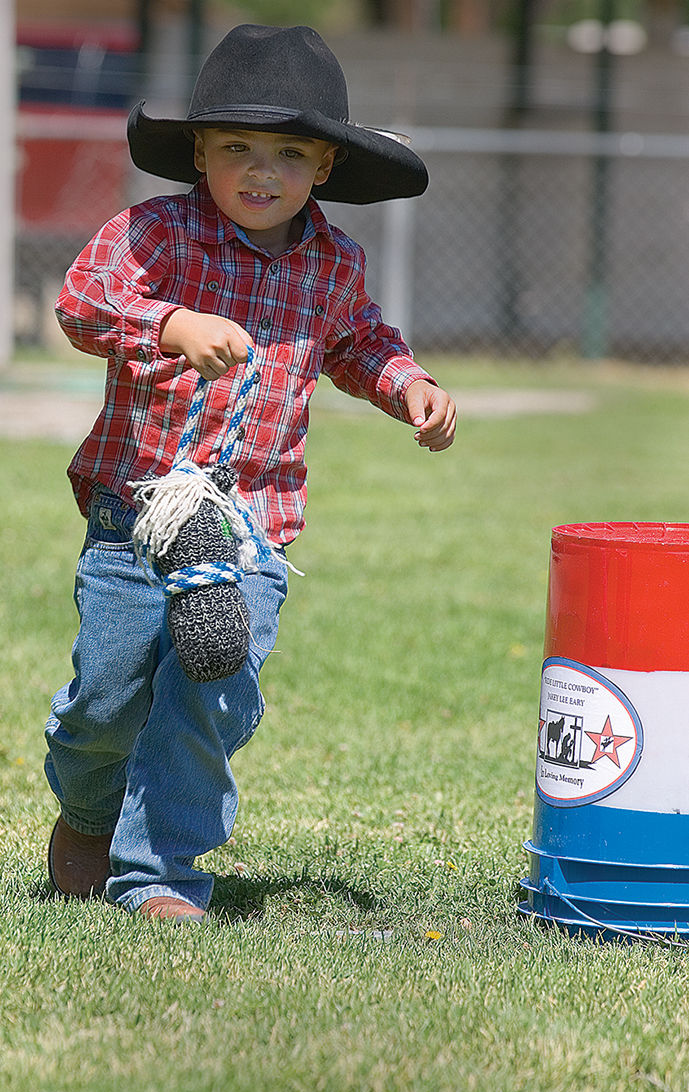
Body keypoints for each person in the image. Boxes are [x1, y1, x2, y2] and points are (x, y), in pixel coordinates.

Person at [45, 23, 456, 924]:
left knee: (209, 691)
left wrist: (409, 384)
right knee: (108, 704)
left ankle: (157, 874)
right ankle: (86, 807)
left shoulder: (332, 263)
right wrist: (168, 325)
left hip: (250, 522)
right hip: (136, 515)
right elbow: (81, 304)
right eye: (235, 147)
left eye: (287, 153)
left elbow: (357, 343)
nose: (259, 171)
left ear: (325, 169)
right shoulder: (150, 234)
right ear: (199, 152)